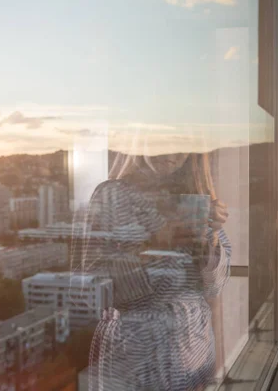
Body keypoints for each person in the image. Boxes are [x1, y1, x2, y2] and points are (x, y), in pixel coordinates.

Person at [70, 134, 231, 391]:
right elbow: (89, 287)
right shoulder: (112, 194)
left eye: (183, 143)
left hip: (194, 347)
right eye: (163, 139)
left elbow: (214, 287)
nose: (172, 152)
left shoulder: (197, 198)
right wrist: (157, 241)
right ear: (141, 137)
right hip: (135, 350)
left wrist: (209, 241)